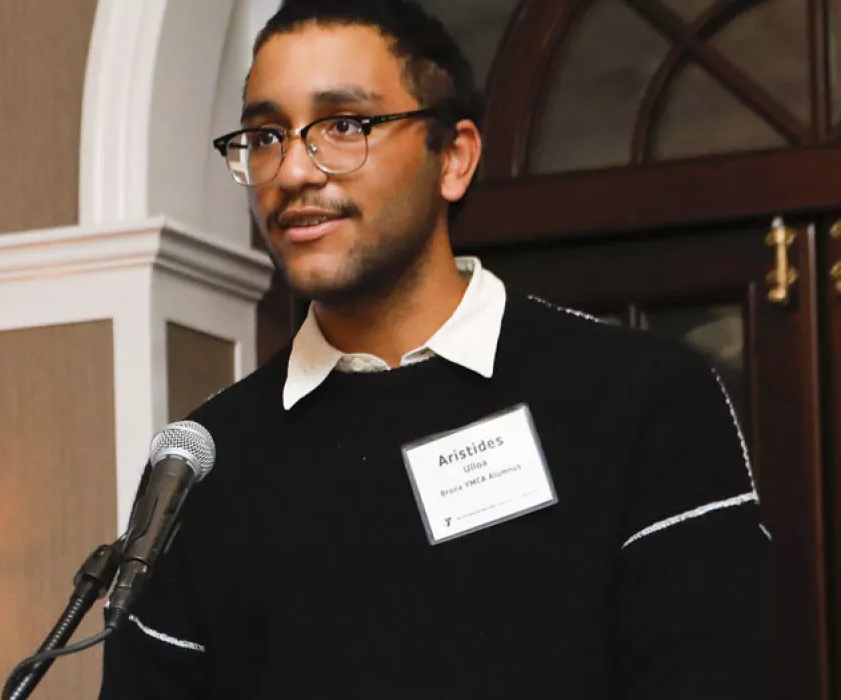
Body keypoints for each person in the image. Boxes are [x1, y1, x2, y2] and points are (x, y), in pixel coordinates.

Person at [96, 1, 771, 698]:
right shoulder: (203, 461)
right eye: (266, 135)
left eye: (344, 125)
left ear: (453, 159)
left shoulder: (644, 400)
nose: (293, 169)